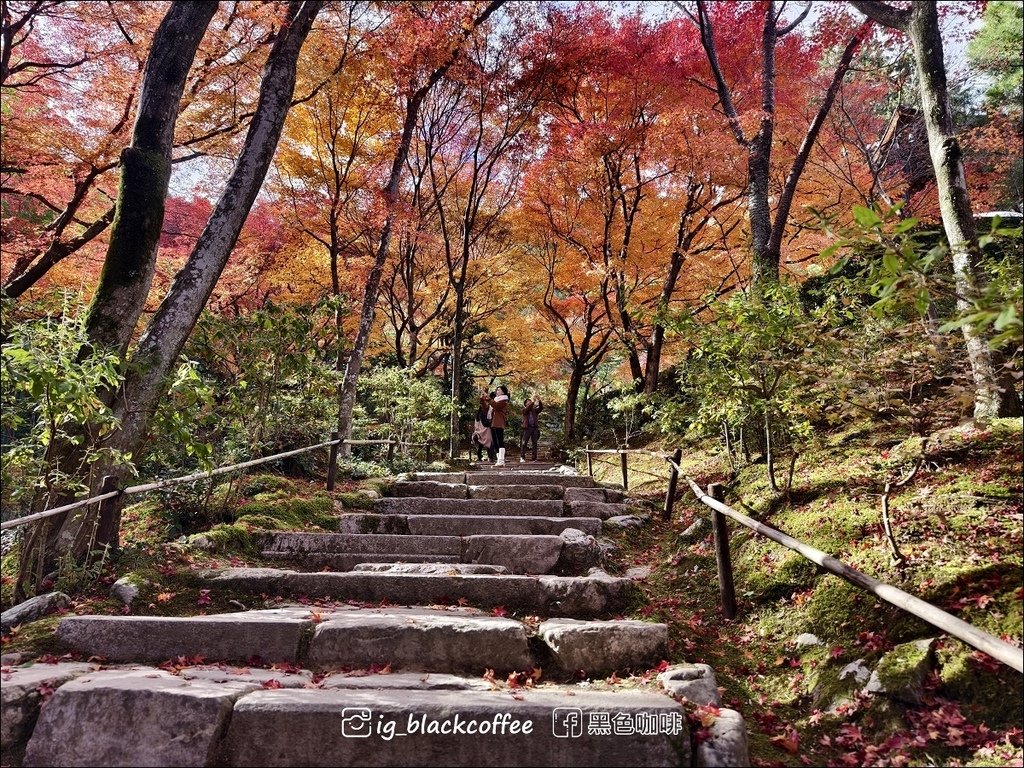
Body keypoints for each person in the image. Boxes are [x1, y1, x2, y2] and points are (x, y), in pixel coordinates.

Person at [484, 385, 509, 466]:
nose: (496, 391)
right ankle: (499, 459)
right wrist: (483, 399)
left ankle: (501, 460)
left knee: (500, 441)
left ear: (503, 392)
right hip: (493, 422)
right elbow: (488, 407)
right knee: (495, 442)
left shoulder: (504, 401)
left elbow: (496, 406)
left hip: (499, 422)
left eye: (498, 390)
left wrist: (488, 398)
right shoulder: (495, 400)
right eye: (496, 390)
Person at [519, 393, 543, 462]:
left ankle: (534, 458)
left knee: (534, 443)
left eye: (530, 401)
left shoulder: (534, 410)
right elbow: (527, 409)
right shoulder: (524, 410)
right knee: (524, 443)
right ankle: (522, 457)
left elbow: (541, 408)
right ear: (525, 404)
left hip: (534, 428)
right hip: (527, 428)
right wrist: (533, 402)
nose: (530, 402)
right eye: (528, 402)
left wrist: (539, 400)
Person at [471, 395, 494, 462]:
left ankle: (480, 457)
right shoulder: (483, 413)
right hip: (486, 430)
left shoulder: (478, 414)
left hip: (479, 431)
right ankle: (490, 457)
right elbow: (485, 423)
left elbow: (476, 424)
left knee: (480, 445)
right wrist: (491, 423)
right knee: (490, 444)